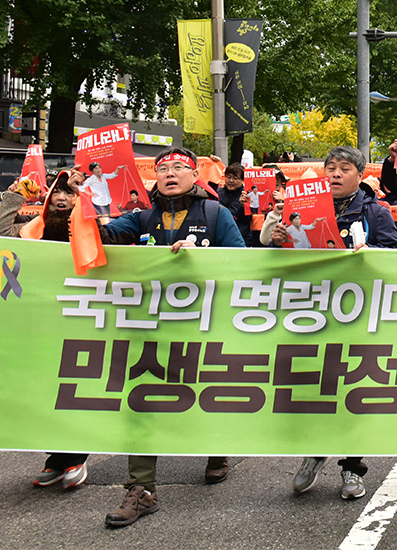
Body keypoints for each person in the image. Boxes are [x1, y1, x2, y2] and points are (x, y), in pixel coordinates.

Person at [89, 147, 244, 527]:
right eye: (163, 169)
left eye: (179, 167)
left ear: (196, 176)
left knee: (207, 394)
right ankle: (142, 490)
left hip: (206, 328)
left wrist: (204, 258)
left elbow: (244, 260)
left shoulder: (215, 214)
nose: (170, 173)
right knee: (143, 400)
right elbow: (96, 237)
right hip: (151, 330)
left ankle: (216, 450)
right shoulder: (142, 217)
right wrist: (81, 200)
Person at [262, 146, 397, 502]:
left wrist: (370, 252)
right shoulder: (299, 208)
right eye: (330, 168)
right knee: (311, 388)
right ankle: (314, 451)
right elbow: (274, 262)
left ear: (359, 175)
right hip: (309, 313)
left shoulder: (375, 212)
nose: (335, 174)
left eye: (344, 168)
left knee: (352, 391)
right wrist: (276, 240)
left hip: (356, 316)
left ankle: (352, 467)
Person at [0, 170, 93, 490]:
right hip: (38, 324)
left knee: (73, 388)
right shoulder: (31, 230)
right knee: (43, 389)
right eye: (57, 192)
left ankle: (75, 455)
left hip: (80, 320)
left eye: (69, 193)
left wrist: (84, 198)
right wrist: (15, 196)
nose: (62, 198)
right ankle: (55, 458)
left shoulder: (90, 227)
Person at [218, 163, 252, 244]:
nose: (231, 181)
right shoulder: (217, 193)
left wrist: (243, 206)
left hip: (241, 237)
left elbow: (248, 219)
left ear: (242, 180)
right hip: (221, 235)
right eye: (228, 177)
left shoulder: (247, 195)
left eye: (235, 178)